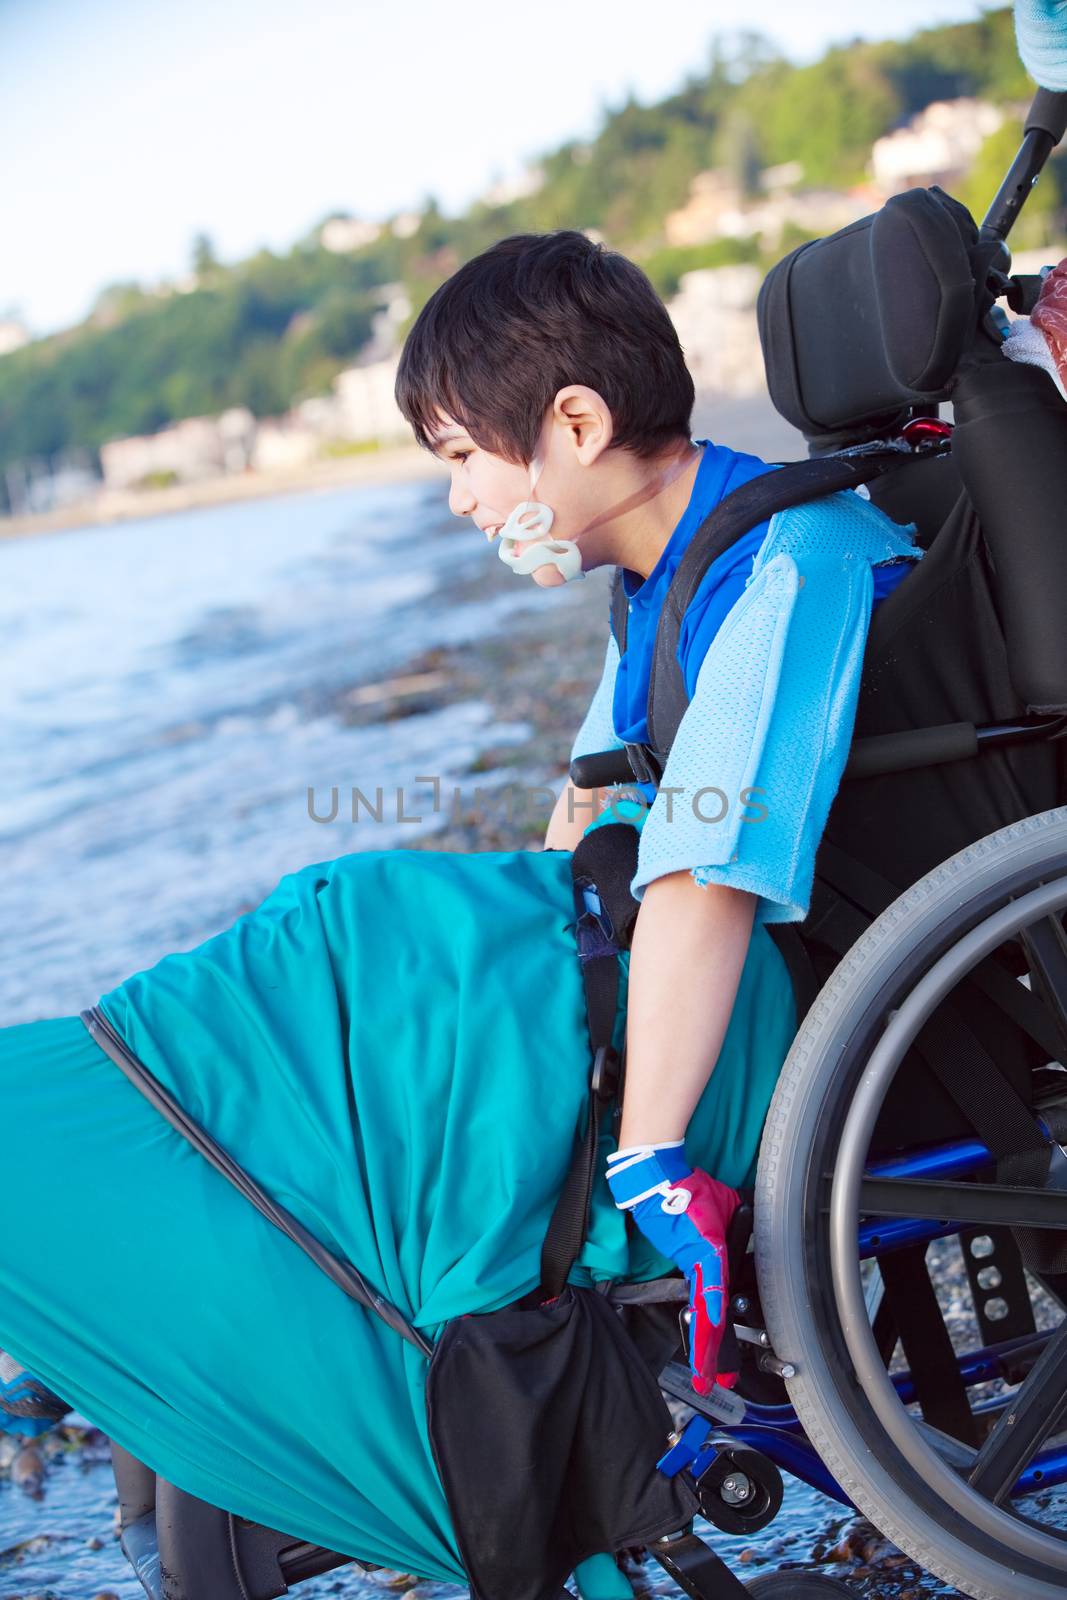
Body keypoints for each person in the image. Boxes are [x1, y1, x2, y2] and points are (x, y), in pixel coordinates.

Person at [394, 227, 922, 1393]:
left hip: (837, 986)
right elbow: (579, 820)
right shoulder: (659, 583)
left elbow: (702, 853)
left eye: (463, 457)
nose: (458, 501)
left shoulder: (789, 554)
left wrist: (647, 1151)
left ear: (574, 428)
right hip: (767, 955)